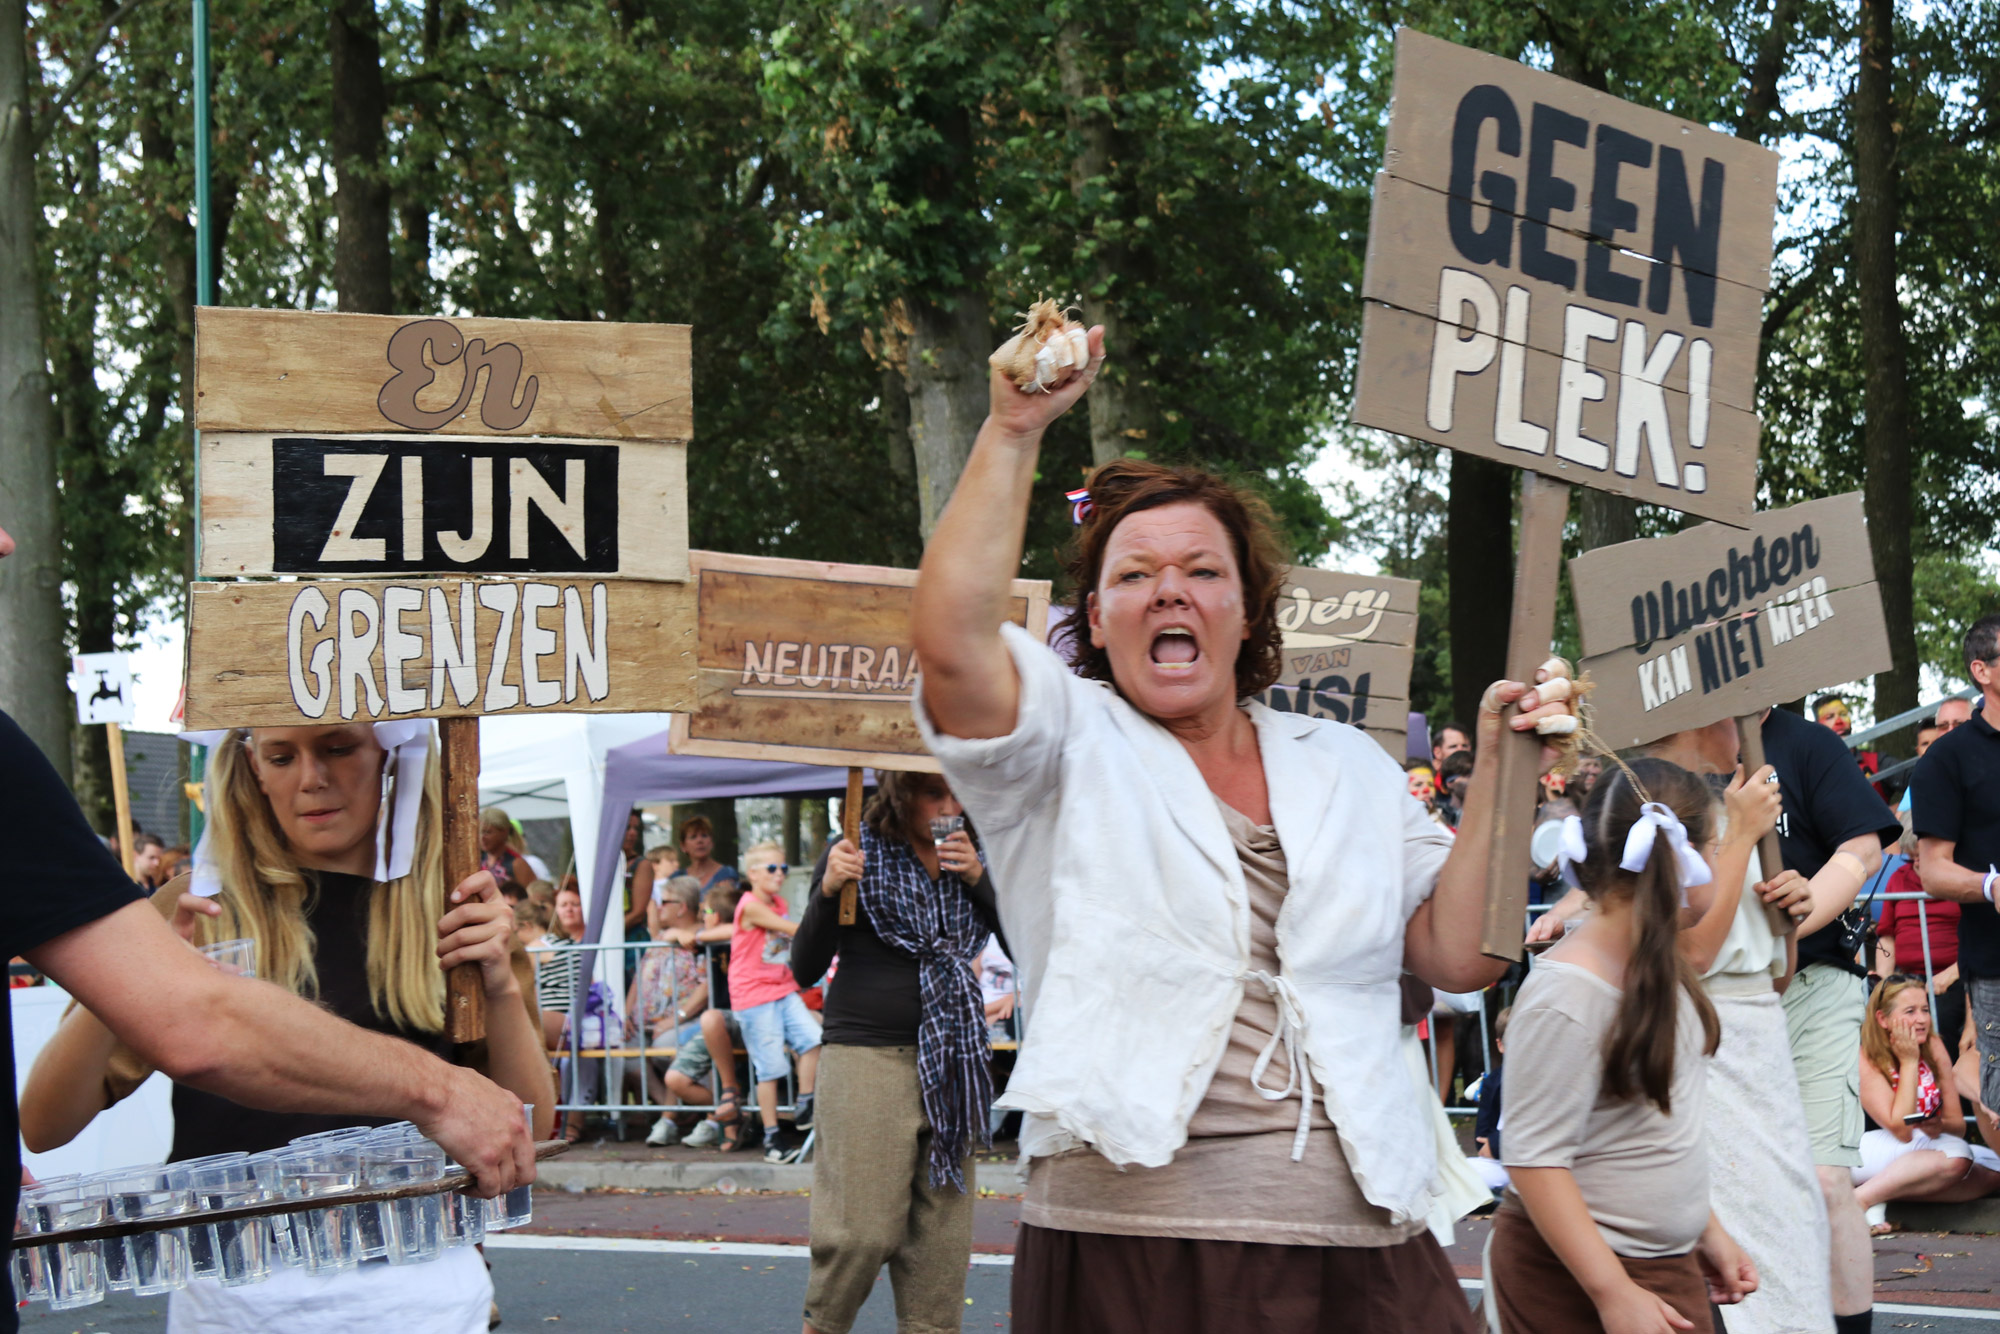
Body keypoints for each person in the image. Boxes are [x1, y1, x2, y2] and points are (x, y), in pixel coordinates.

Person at [907, 332, 1583, 1334]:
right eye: (1134, 575)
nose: (1168, 589)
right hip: (1135, 1251)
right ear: (1093, 620)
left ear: (1244, 606)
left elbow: (1459, 952)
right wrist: (1012, 429)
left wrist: (1499, 764)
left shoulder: (1344, 763)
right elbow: (954, 642)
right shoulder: (1057, 742)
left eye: (1199, 570)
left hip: (1368, 1243)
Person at [19, 720, 549, 1332]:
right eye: (281, 756)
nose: (312, 779)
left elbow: (529, 1128)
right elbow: (45, 1122)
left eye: (338, 747)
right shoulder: (194, 910)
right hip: (231, 1295)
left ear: (389, 755)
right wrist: (115, 985)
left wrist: (503, 986)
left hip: (419, 1289)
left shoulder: (455, 912)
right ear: (252, 770)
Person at [1491, 758, 1758, 1333]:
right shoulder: (1568, 993)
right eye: (1714, 851)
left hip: (1659, 1268)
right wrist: (1612, 1292)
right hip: (1575, 1281)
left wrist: (1704, 1228)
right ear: (1680, 861)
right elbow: (1535, 1159)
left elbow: (1649, 1129)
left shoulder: (1655, 966)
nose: (1716, 863)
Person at [790, 772, 1004, 1334]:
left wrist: (980, 877)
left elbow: (1030, 943)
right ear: (901, 793)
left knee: (941, 1245)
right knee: (861, 1232)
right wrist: (828, 889)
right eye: (936, 793)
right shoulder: (855, 852)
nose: (950, 807)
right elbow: (804, 968)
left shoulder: (978, 854)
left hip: (953, 1056)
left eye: (960, 791)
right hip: (866, 1056)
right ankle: (823, 1323)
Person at [1763, 699, 1902, 1334]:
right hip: (1714, 995)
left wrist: (1799, 917)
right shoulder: (1671, 750)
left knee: (1824, 1179)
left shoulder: (1808, 743)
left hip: (1816, 979)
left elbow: (1863, 849)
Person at [1912, 618, 2000, 1171]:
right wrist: (1991, 886)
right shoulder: (1947, 758)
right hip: (1996, 963)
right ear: (1982, 670)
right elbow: (1933, 873)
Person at [1854, 975, 2000, 1232]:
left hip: (1925, 1146)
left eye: (1924, 1010)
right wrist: (1909, 1061)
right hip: (1869, 1148)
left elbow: (1958, 1126)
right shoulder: (1866, 1056)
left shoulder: (1933, 1044)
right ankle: (1860, 1200)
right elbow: (1900, 1130)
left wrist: (1937, 1124)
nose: (1921, 1019)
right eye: (1910, 1011)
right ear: (1882, 1019)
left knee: (1996, 1168)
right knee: (1957, 1157)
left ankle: (1880, 1192)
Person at [729, 840, 820, 1164]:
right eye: (772, 868)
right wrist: (825, 929)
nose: (779, 874)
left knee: (813, 1040)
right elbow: (792, 930)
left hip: (781, 988)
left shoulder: (778, 901)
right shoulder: (751, 905)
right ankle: (772, 1140)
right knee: (770, 1068)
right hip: (754, 994)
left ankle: (806, 1103)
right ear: (752, 873)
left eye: (783, 868)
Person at [627, 875, 709, 1146]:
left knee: (667, 1044)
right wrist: (627, 1013)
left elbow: (706, 986)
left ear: (682, 906)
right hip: (644, 1022)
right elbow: (640, 978)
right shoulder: (661, 937)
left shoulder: (698, 938)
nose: (658, 907)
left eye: (664, 902)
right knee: (623, 1050)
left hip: (686, 1021)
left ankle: (670, 1119)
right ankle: (674, 1112)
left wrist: (677, 1018)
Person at [673, 882, 752, 1150]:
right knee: (676, 1080)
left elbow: (735, 929)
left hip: (746, 1017)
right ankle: (730, 1108)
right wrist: (682, 932)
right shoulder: (706, 939)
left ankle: (731, 1113)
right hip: (717, 1024)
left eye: (705, 911)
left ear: (715, 916)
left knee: (712, 1019)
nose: (701, 916)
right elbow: (668, 934)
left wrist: (700, 934)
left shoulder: (741, 934)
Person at [1877, 827, 1964, 1056]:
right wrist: (1884, 982)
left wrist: (1954, 972)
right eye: (1910, 857)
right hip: (1908, 977)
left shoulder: (1961, 876)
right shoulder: (1898, 878)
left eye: (1922, 856)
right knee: (1887, 1016)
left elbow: (1981, 937)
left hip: (1954, 975)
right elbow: (1887, 936)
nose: (1916, 864)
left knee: (1939, 1020)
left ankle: (1945, 1085)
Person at [536, 881, 589, 1052]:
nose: (569, 909)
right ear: (555, 911)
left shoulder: (598, 941)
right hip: (549, 1015)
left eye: (575, 904)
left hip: (577, 1019)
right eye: (563, 905)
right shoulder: (545, 943)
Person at [679, 815, 741, 892]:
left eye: (704, 835)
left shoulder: (727, 874)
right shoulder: (678, 877)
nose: (700, 841)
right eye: (693, 837)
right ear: (683, 846)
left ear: (712, 842)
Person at [478, 807, 536, 886]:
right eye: (479, 832)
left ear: (504, 832)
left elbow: (533, 895)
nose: (482, 838)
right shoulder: (479, 860)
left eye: (488, 832)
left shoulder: (517, 864)